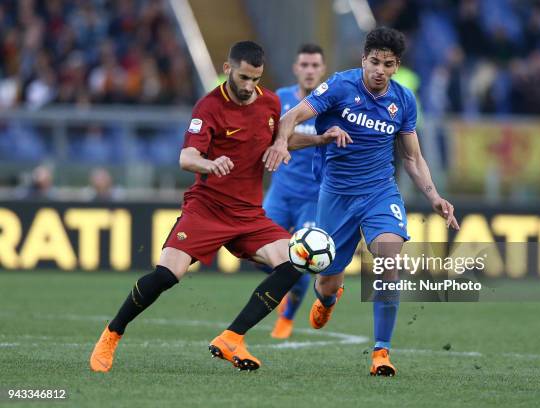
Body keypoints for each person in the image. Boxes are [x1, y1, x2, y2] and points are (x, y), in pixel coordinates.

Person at [89, 41, 346, 373]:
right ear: (228, 70)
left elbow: (280, 136)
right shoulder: (209, 106)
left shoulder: (269, 103)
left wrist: (318, 140)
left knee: (293, 262)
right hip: (206, 210)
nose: (249, 86)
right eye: (243, 78)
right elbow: (186, 158)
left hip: (249, 215)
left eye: (255, 79)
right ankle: (112, 334)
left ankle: (232, 338)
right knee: (167, 275)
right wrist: (210, 164)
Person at [265, 27, 460, 376]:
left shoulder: (403, 100)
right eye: (374, 62)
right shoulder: (340, 86)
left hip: (380, 193)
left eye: (387, 64)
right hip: (336, 195)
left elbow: (412, 159)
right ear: (363, 60)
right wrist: (281, 143)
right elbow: (292, 116)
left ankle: (381, 352)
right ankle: (327, 298)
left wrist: (434, 196)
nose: (379, 70)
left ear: (396, 66)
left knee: (388, 259)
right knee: (327, 282)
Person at [264, 44, 327, 339]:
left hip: (313, 198)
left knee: (302, 260)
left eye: (315, 65)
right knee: (260, 254)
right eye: (305, 65)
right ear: (296, 68)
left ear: (322, 70)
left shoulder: (332, 103)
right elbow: (273, 136)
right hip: (281, 191)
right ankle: (284, 294)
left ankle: (287, 315)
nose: (310, 70)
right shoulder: (281, 99)